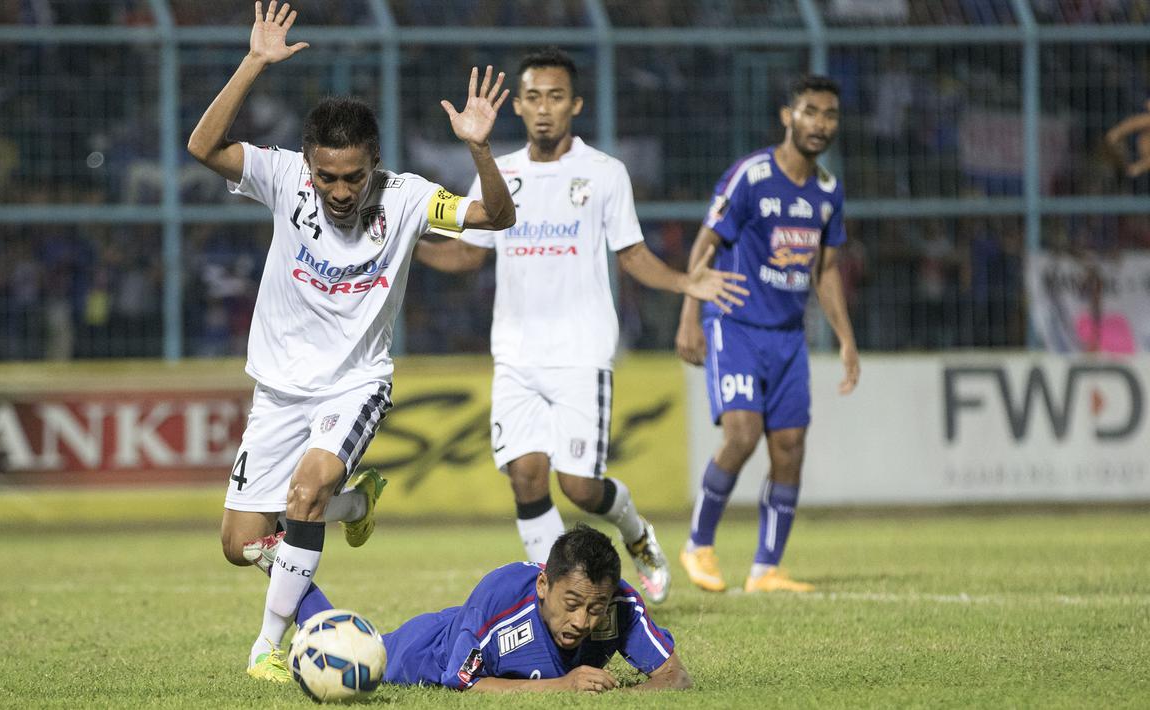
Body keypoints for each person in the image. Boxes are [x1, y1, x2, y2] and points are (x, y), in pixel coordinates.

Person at [186, 1, 516, 681]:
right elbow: (202, 147)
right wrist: (253, 63)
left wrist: (479, 149)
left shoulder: (405, 198)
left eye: (353, 176)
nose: (340, 191)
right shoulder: (280, 177)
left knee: (301, 499)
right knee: (241, 544)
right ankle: (354, 503)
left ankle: (268, 649)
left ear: (375, 166)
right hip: (279, 390)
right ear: (307, 163)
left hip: (354, 383)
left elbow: (495, 216)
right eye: (326, 176)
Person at [414, 47, 749, 604]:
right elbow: (468, 255)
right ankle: (559, 598)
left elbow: (633, 255)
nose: (544, 109)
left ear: (576, 105)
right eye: (534, 98)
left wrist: (685, 282)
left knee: (580, 487)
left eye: (556, 98)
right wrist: (410, 250)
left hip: (580, 352)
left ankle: (636, 532)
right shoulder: (501, 174)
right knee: (525, 476)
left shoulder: (603, 173)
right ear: (517, 106)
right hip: (516, 353)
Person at [675, 75, 860, 594]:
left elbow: (825, 270)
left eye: (830, 115)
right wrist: (690, 313)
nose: (820, 123)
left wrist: (845, 337)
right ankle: (698, 545)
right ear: (787, 115)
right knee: (741, 434)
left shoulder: (827, 191)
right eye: (810, 111)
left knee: (790, 446)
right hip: (733, 323)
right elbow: (706, 242)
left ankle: (766, 569)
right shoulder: (751, 176)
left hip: (786, 336)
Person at [296, 524, 691, 692]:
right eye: (571, 604)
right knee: (349, 653)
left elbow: (675, 676)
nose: (581, 621)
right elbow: (464, 685)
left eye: (594, 608)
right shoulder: (500, 598)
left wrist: (620, 696)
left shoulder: (618, 605)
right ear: (543, 585)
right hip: (428, 651)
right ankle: (291, 570)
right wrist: (562, 687)